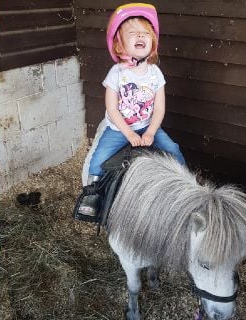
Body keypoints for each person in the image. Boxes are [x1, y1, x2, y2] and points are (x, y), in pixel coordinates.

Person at [76, 3, 186, 220]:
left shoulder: (155, 74)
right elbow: (112, 109)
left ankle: (187, 185)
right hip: (119, 128)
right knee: (98, 158)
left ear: (152, 42)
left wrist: (151, 132)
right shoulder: (116, 73)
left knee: (172, 148)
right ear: (119, 44)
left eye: (146, 33)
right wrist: (129, 134)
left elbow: (160, 107)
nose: (141, 36)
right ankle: (92, 195)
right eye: (133, 33)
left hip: (147, 124)